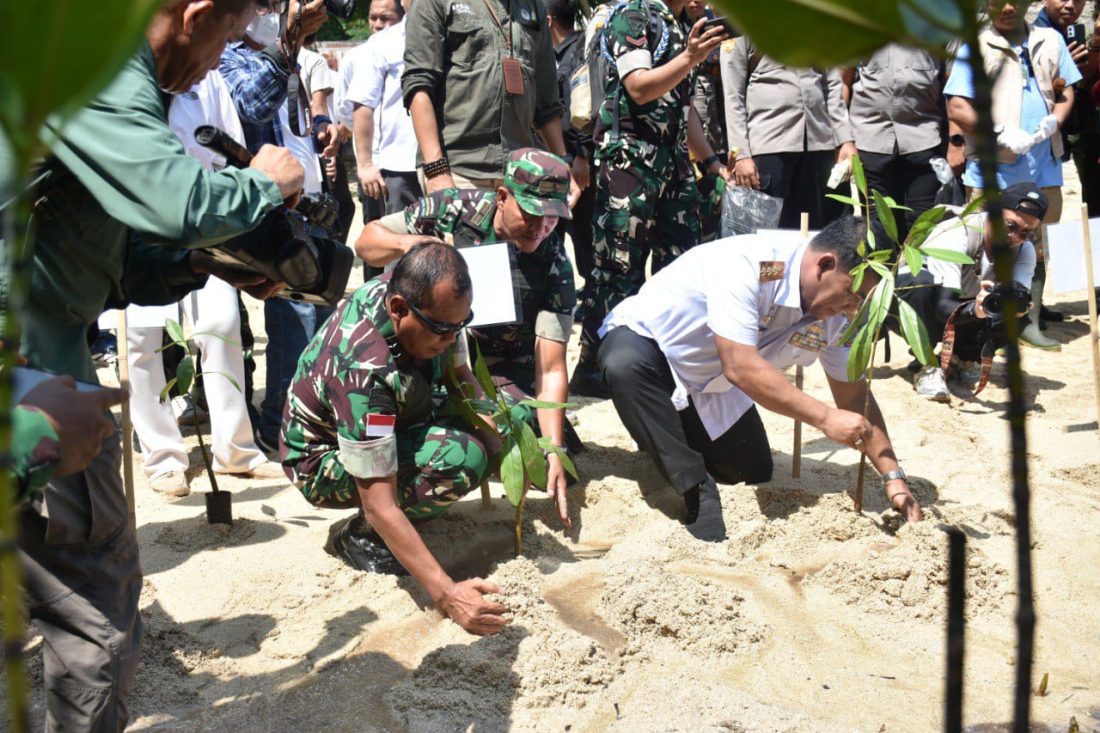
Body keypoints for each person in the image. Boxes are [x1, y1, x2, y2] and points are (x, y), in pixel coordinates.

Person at [3, 0, 305, 727]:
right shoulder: (103, 65)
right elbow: (178, 200)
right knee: (94, 623)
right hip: (28, 389)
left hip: (43, 361)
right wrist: (267, 183)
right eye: (227, 35)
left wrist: (202, 264)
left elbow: (92, 248)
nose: (221, 59)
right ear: (195, 11)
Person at [598, 216, 924, 543]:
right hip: (654, 351)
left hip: (712, 385)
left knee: (749, 469)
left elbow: (854, 396)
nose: (854, 309)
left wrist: (892, 478)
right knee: (623, 364)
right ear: (824, 265)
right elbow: (740, 365)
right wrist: (825, 418)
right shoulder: (760, 266)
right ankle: (694, 486)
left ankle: (662, 430)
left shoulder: (838, 315)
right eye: (853, 296)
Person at [280, 243, 513, 635]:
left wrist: (505, 445)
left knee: (499, 426)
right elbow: (380, 504)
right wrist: (448, 594)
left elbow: (461, 374)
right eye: (441, 329)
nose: (451, 336)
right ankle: (360, 540)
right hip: (322, 460)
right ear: (399, 309)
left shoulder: (423, 295)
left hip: (395, 401)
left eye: (462, 323)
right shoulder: (367, 370)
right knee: (458, 458)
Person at [356, 148, 579, 498]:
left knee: (533, 442)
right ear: (503, 197)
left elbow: (550, 370)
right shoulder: (454, 210)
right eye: (531, 214)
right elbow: (367, 241)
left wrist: (555, 450)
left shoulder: (554, 264)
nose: (541, 228)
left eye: (552, 218)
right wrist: (413, 245)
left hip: (496, 374)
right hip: (427, 357)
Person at [126, 69, 289, 499]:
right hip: (138, 219)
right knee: (143, 339)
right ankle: (162, 458)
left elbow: (230, 146)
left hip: (203, 213)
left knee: (221, 326)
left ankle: (237, 451)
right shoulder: (120, 70)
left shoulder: (206, 74)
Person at [569, 0, 730, 399]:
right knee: (618, 269)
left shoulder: (676, 25)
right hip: (630, 165)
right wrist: (692, 57)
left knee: (681, 266)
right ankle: (595, 365)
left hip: (672, 167)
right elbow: (638, 87)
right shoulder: (634, 14)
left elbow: (683, 105)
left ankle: (665, 362)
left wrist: (710, 161)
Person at [220, 0, 340, 452]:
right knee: (291, 313)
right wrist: (288, 41)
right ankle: (281, 424)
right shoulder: (227, 56)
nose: (274, 11)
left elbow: (297, 122)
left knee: (323, 304)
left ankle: (314, 414)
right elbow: (251, 103)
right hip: (265, 206)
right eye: (266, 4)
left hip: (309, 197)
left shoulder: (289, 56)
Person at [944, 0, 1081, 350]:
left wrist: (1055, 120)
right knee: (983, 245)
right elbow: (957, 105)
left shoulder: (1050, 40)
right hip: (995, 167)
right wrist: (999, 131)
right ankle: (974, 324)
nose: (1007, 8)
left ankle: (1027, 320)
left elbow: (1066, 92)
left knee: (1036, 245)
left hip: (1044, 162)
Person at [401, 0, 577, 198]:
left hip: (519, 173)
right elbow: (418, 86)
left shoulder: (534, 6)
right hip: (458, 171)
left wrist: (562, 164)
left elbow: (546, 100)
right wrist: (436, 171)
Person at [897, 183, 1045, 402]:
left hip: (967, 303)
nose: (1015, 236)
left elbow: (1016, 295)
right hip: (917, 304)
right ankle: (926, 365)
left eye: (1026, 233)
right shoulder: (958, 232)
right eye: (1010, 226)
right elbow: (941, 305)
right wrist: (976, 310)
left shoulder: (1024, 250)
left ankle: (963, 357)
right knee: (920, 285)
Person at [720, 35, 855, 230]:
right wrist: (740, 154)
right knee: (767, 236)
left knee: (815, 233)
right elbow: (733, 95)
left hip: (818, 144)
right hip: (769, 146)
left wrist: (845, 140)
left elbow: (832, 84)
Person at [842, 45, 959, 242]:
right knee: (875, 225)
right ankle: (879, 272)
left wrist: (957, 142)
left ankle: (914, 272)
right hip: (869, 139)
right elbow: (842, 80)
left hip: (924, 138)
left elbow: (955, 86)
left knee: (922, 226)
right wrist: (844, 140)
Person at [338, 0, 421, 228]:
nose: (377, 24)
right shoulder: (383, 44)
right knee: (403, 250)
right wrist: (365, 164)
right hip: (400, 169)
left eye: (384, 18)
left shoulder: (449, 37)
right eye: (373, 18)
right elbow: (360, 106)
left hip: (447, 163)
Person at [547, 0, 595, 309]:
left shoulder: (578, 53)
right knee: (555, 233)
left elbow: (584, 108)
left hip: (576, 164)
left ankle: (591, 296)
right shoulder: (554, 55)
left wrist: (582, 157)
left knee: (583, 234)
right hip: (557, 161)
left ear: (548, 21)